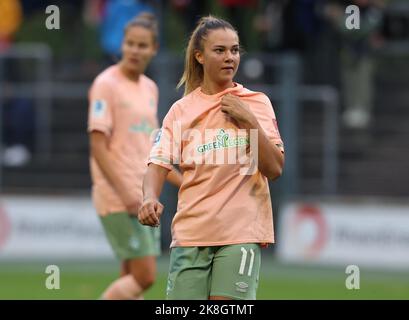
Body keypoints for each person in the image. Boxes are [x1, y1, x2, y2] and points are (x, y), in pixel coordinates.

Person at [138, 16, 284, 300]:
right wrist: (148, 198)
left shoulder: (256, 103)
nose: (230, 57)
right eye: (220, 50)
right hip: (191, 234)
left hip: (240, 233)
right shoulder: (181, 111)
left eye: (235, 50)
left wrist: (249, 120)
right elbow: (158, 163)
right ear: (200, 56)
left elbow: (275, 168)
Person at [87, 12, 182, 300]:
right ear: (121, 45)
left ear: (153, 49)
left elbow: (151, 147)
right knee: (145, 276)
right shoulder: (106, 84)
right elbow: (98, 146)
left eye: (142, 45)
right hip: (122, 197)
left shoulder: (149, 88)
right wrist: (125, 193)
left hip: (143, 197)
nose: (134, 50)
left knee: (130, 278)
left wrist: (186, 180)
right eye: (130, 43)